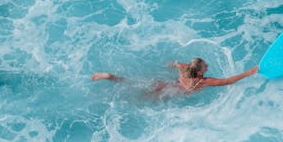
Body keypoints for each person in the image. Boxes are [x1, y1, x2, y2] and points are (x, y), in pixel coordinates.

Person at [91, 57, 258, 96]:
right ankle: (109, 77)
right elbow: (227, 81)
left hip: (164, 84)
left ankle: (109, 76)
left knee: (131, 83)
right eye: (205, 66)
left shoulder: (186, 69)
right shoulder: (202, 81)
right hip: (171, 93)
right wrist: (249, 72)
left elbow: (175, 64)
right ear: (199, 71)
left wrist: (170, 64)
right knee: (142, 100)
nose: (208, 66)